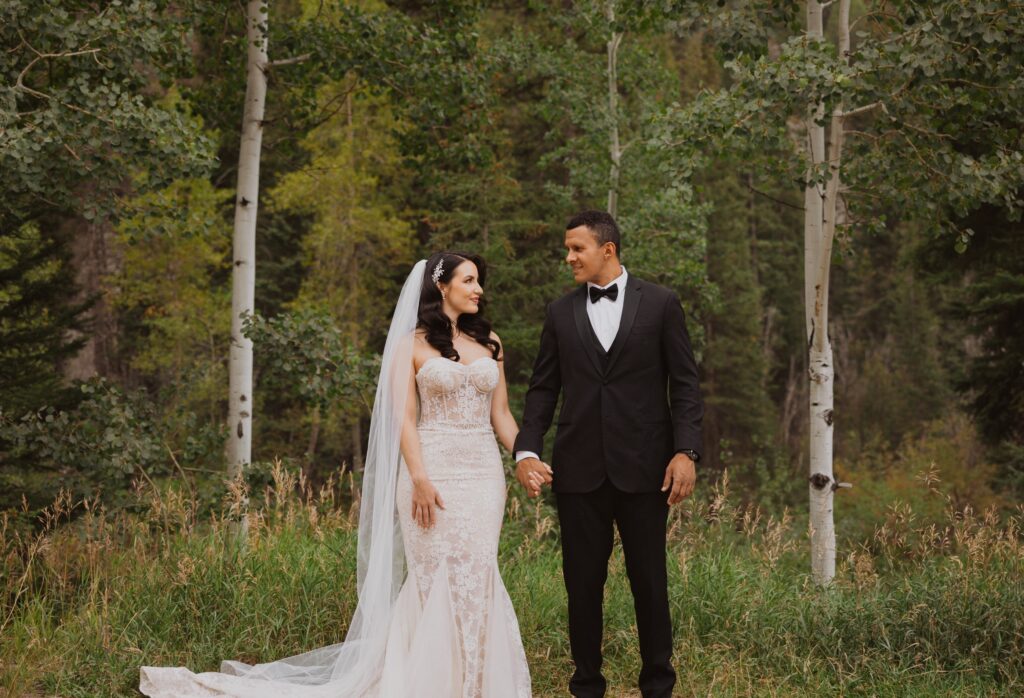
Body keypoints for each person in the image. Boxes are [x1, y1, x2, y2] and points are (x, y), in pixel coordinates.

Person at [140, 252, 537, 697]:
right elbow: (404, 419)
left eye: (479, 281)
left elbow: (500, 413)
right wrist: (420, 478)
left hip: (483, 476)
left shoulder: (490, 342)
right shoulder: (411, 344)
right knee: (435, 578)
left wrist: (526, 455)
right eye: (469, 280)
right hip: (432, 473)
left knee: (479, 573)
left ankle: (480, 683)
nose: (478, 289)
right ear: (442, 286)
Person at [514, 210, 704, 698]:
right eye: (567, 248)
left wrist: (686, 451)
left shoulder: (661, 304)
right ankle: (586, 686)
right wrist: (526, 452)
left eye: (576, 248)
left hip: (646, 469)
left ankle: (658, 686)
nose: (569, 257)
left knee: (650, 583)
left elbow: (684, 384)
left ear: (608, 249)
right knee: (581, 586)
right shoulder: (559, 313)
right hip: (577, 472)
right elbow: (542, 390)